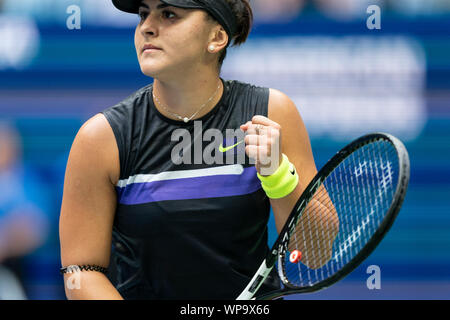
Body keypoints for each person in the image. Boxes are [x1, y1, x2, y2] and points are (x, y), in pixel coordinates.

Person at [59, 0, 337, 300]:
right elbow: (81, 271)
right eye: (143, 14)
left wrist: (278, 175)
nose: (147, 28)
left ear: (217, 38)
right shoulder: (102, 138)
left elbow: (316, 255)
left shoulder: (271, 112)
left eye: (168, 14)